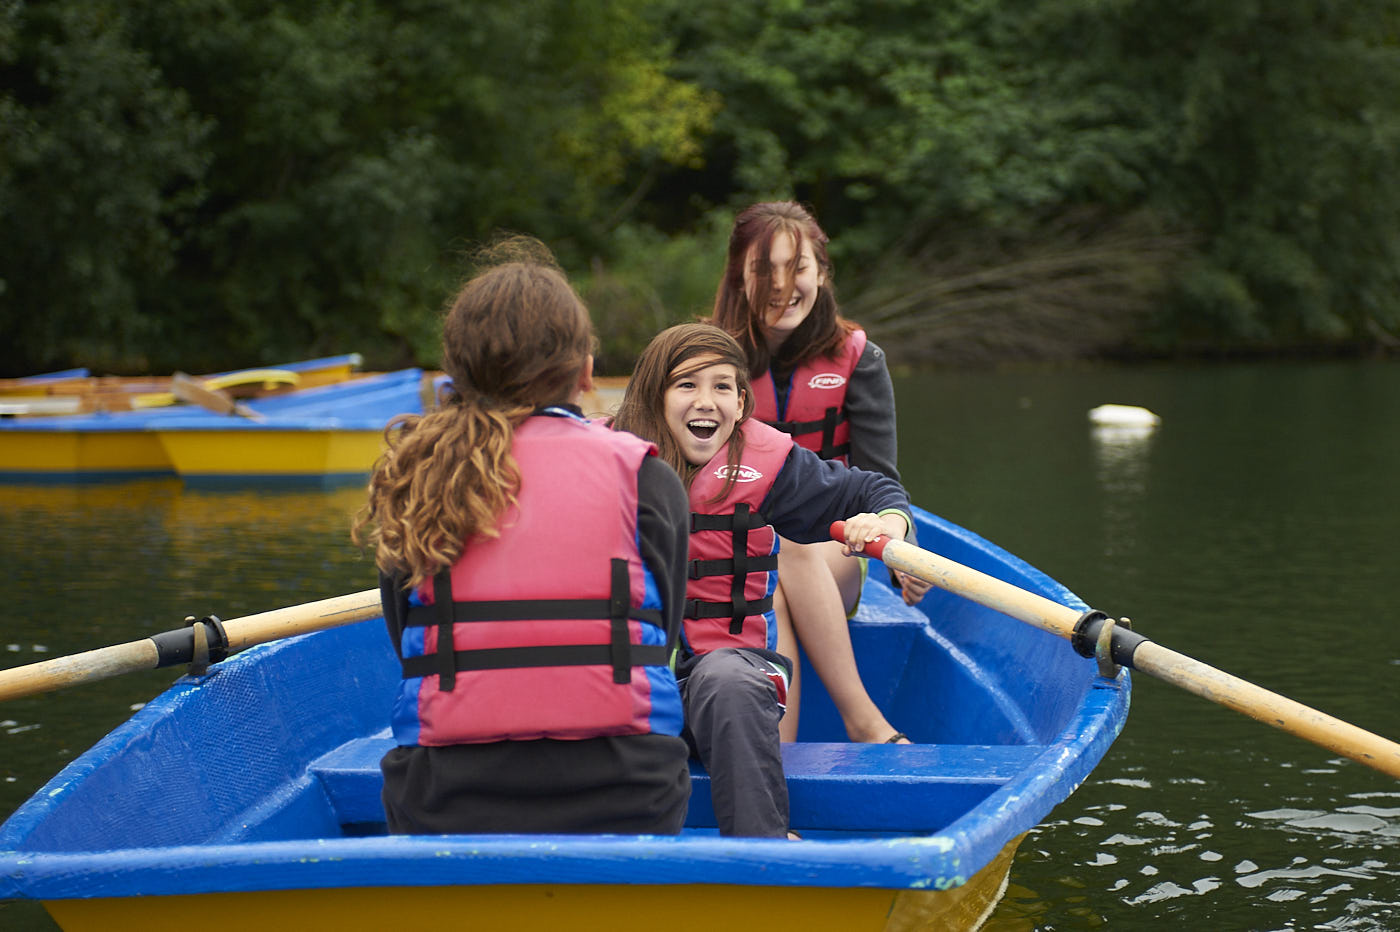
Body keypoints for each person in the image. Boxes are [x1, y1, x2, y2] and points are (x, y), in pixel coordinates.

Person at [353, 237, 692, 835]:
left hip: (447, 795)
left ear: (455, 373)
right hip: (628, 787)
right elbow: (660, 633)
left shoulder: (419, 476)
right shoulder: (647, 477)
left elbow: (403, 634)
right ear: (586, 372)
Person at [610, 322, 913, 838]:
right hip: (628, 684)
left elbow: (874, 489)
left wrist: (890, 526)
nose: (706, 401)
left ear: (742, 403)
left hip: (726, 687)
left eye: (723, 386)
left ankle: (763, 849)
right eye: (687, 385)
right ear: (654, 396)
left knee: (728, 678)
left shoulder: (772, 467)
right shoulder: (606, 458)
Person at [710, 200, 931, 745]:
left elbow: (882, 481)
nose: (783, 285)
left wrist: (907, 547)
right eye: (765, 269)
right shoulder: (707, 360)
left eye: (799, 267)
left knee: (791, 540)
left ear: (821, 273)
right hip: (721, 551)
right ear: (739, 276)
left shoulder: (860, 358)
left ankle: (793, 748)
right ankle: (848, 728)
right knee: (774, 559)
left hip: (831, 549)